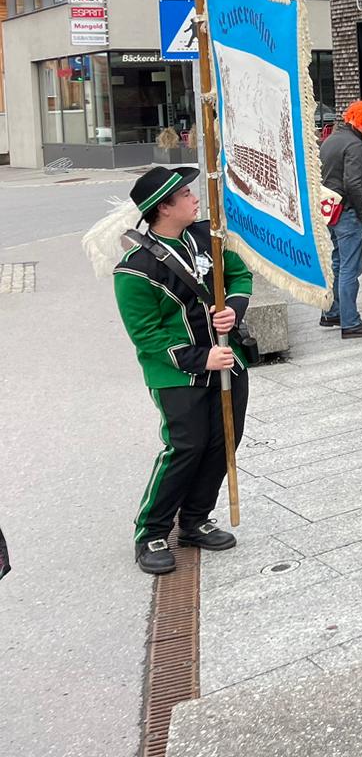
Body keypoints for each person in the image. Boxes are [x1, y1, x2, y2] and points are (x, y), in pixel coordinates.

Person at [115, 166, 252, 574]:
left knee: (223, 442)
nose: (195, 199)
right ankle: (151, 532)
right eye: (187, 195)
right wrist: (200, 359)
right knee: (186, 447)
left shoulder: (209, 238)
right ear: (164, 208)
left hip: (227, 362)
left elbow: (240, 275)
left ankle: (194, 520)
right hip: (177, 375)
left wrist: (234, 309)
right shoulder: (135, 268)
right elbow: (146, 335)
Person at [317, 101, 362, 338]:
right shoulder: (354, 144)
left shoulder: (331, 140)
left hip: (331, 212)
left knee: (338, 263)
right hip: (347, 213)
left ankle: (332, 312)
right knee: (350, 268)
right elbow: (353, 184)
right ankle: (351, 322)